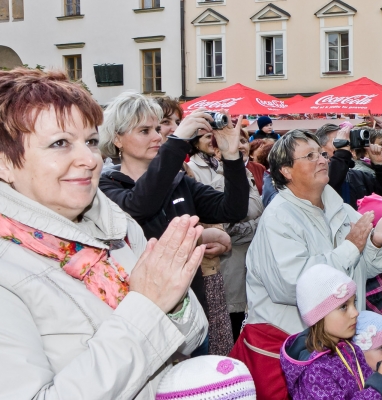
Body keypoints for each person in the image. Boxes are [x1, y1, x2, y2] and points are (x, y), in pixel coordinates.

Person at [0, 68, 209, 398]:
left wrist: (174, 301)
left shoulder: (118, 227)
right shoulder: (7, 271)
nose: (89, 159)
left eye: (91, 141)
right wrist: (148, 305)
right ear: (5, 163)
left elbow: (195, 335)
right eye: (59, 143)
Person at [232, 130, 382, 399]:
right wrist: (350, 248)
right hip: (293, 348)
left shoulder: (338, 206)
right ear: (287, 171)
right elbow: (293, 287)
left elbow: (362, 272)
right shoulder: (278, 217)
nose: (322, 160)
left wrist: (375, 243)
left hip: (334, 345)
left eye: (322, 154)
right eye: (310, 156)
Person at [98, 93, 250, 355]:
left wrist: (231, 156)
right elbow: (139, 205)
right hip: (140, 315)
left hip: (191, 310)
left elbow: (234, 209)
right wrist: (177, 142)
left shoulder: (177, 181)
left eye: (157, 129)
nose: (157, 136)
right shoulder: (104, 186)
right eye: (144, 131)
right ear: (117, 138)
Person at [280, 265, 382, 400]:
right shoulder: (315, 371)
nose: (355, 312)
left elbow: (366, 390)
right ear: (319, 316)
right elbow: (375, 390)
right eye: (343, 307)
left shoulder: (350, 349)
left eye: (353, 303)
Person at [188, 128, 265, 342]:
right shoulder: (220, 184)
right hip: (232, 274)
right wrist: (261, 226)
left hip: (246, 270)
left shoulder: (249, 175)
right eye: (232, 142)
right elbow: (226, 229)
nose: (240, 145)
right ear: (218, 152)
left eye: (243, 140)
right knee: (232, 331)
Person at [316, 124, 382, 209]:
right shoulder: (317, 178)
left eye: (347, 140)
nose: (345, 143)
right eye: (338, 140)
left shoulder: (358, 176)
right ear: (321, 148)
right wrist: (341, 154)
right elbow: (330, 185)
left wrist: (381, 166)